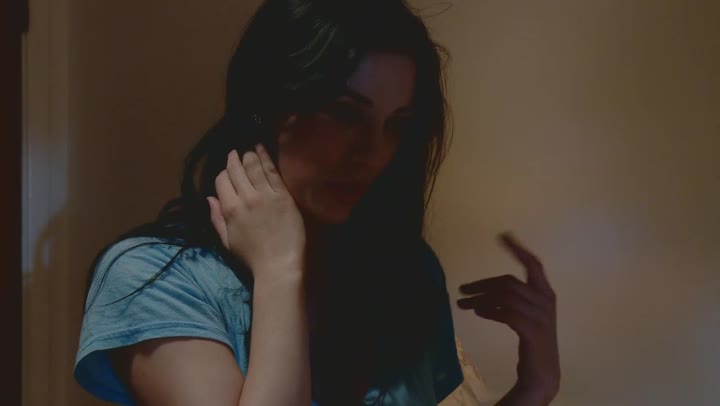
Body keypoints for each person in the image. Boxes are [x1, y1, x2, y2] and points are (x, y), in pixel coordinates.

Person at [74, 0, 560, 405]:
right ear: (266, 106)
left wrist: (536, 386)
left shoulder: (403, 271)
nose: (372, 154)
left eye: (396, 125)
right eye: (345, 114)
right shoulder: (154, 278)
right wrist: (279, 270)